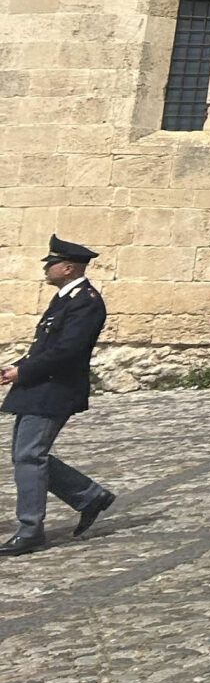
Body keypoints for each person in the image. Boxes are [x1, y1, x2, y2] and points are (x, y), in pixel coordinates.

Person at [3, 234, 114, 555]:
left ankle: (30, 529)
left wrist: (24, 371)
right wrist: (17, 366)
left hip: (56, 388)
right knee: (27, 455)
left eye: (51, 264)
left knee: (29, 456)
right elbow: (46, 346)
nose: (46, 269)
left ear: (67, 268)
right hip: (39, 386)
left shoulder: (87, 302)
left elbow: (69, 351)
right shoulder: (65, 298)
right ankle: (89, 496)